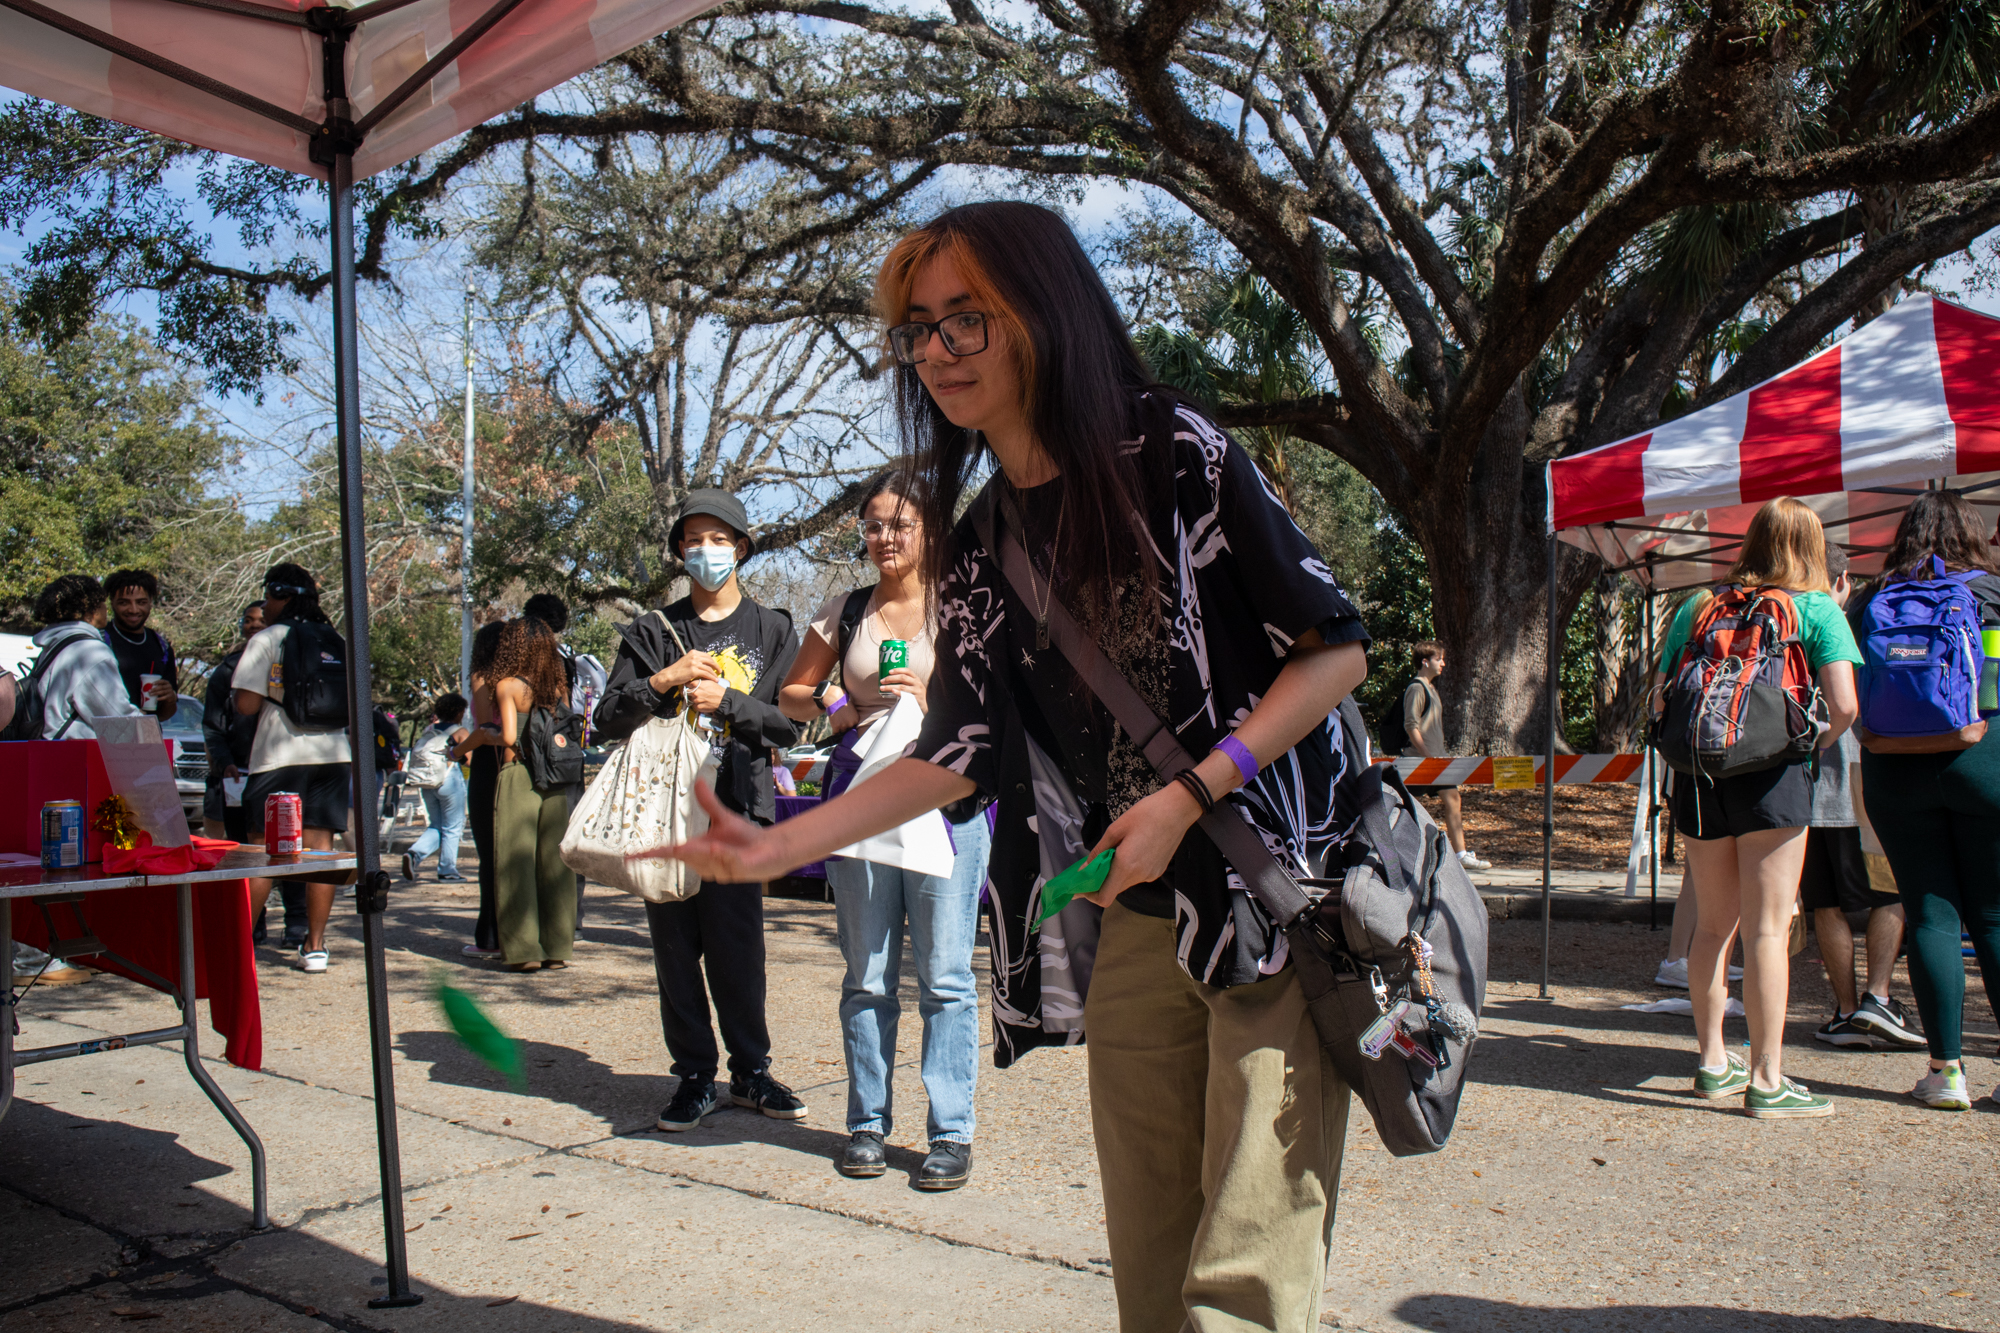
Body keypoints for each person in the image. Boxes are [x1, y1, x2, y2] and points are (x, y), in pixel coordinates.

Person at [641, 202, 1370, 1329]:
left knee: (1244, 1271)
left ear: (1044, 310)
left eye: (964, 320)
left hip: (1266, 895)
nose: (935, 351)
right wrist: (777, 840)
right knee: (1150, 1259)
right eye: (918, 329)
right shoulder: (980, 541)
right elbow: (956, 747)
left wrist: (1188, 794)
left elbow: (1332, 651)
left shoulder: (1171, 446)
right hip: (1130, 913)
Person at [778, 470, 994, 1187]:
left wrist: (938, 698)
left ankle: (951, 1133)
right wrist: (838, 702)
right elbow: (792, 692)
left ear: (931, 528)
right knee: (867, 975)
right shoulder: (845, 611)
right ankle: (866, 1123)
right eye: (873, 525)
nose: (885, 538)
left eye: (901, 524)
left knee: (946, 976)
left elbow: (1006, 695)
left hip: (947, 801)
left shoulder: (966, 604)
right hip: (862, 797)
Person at [595, 487, 807, 1132]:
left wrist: (730, 702)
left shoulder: (773, 628)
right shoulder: (652, 631)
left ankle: (751, 1071)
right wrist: (661, 681)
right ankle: (693, 1076)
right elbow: (605, 718)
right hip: (662, 813)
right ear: (680, 551)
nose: (706, 551)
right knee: (675, 950)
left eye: (720, 539)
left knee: (738, 947)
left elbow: (789, 727)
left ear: (741, 549)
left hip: (737, 811)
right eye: (694, 540)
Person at [1655, 497, 1859, 1118]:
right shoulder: (1817, 608)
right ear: (1813, 548)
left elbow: (1662, 701)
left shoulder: (1698, 605)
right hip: (1773, 778)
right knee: (1768, 927)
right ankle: (1768, 1079)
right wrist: (1805, 743)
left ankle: (1713, 1062)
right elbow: (1845, 708)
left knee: (1713, 926)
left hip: (1697, 777)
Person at [1848, 491, 2000, 1111]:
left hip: (1894, 768)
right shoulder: (1992, 594)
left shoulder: (1868, 598)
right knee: (1992, 916)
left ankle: (1946, 1073)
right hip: (1984, 761)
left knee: (1931, 916)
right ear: (1974, 533)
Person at [1805, 542, 1922, 1051]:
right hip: (1861, 780)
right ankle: (1876, 998)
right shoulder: (1862, 618)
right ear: (1842, 580)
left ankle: (1846, 1010)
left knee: (1826, 903)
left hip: (1806, 789)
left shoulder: (1786, 620)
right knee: (1892, 893)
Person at [234, 563, 353, 975]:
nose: (264, 605)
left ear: (282, 597)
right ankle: (315, 946)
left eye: (268, 596)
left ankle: (238, 950)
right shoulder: (335, 639)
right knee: (320, 850)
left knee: (262, 851)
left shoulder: (268, 638)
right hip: (335, 755)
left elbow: (246, 705)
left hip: (279, 757)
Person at [457, 618, 576, 972]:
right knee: (554, 864)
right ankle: (557, 945)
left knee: (515, 863)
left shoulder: (508, 685)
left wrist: (475, 741)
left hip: (519, 774)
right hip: (554, 780)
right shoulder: (555, 686)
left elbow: (509, 736)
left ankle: (524, 949)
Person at [204, 601, 296, 944]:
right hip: (236, 776)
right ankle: (252, 923)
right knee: (247, 850)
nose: (254, 627)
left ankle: (297, 921)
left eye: (261, 621)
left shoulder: (290, 663)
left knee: (289, 848)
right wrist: (223, 760)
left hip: (278, 769)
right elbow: (213, 726)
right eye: (248, 621)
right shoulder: (226, 671)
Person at [1396, 641, 1490, 871]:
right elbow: (1411, 725)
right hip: (1419, 762)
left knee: (1453, 799)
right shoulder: (1417, 688)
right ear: (1425, 662)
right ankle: (1402, 853)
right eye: (1439, 659)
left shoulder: (1431, 688)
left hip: (1436, 761)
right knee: (1405, 808)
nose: (1443, 663)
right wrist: (1428, 757)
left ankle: (1460, 855)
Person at [451, 621, 507, 958]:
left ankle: (490, 937)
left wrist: (457, 751)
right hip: (519, 760)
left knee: (489, 852)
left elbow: (486, 727)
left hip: (489, 761)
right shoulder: (525, 679)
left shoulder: (484, 677)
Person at [28, 574, 142, 740]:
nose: (106, 610)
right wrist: (149, 728)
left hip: (48, 751)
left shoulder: (54, 646)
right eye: (103, 604)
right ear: (91, 611)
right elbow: (118, 717)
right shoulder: (90, 652)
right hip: (76, 757)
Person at [401, 692, 470, 884]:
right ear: (459, 712)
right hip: (449, 780)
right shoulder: (460, 731)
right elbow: (470, 760)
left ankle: (414, 854)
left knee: (437, 824)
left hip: (426, 782)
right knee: (453, 827)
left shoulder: (429, 729)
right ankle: (447, 870)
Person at [101, 569, 178, 721]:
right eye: (124, 603)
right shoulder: (100, 642)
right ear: (112, 603)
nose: (133, 610)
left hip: (148, 738)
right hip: (108, 739)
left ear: (150, 602)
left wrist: (170, 698)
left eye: (141, 602)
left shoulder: (161, 646)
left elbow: (163, 716)